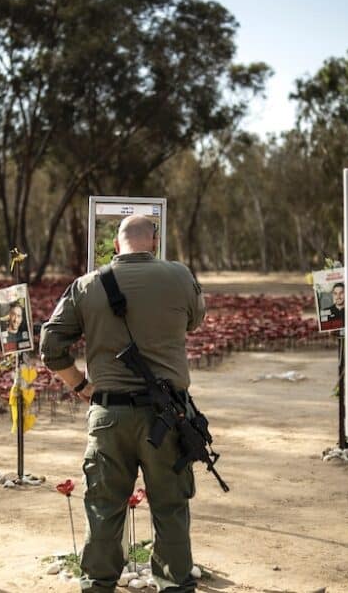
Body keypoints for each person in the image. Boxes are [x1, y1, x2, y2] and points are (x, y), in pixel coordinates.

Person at [40, 214, 205, 593]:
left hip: (108, 417)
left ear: (116, 245)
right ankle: (175, 585)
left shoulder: (87, 285)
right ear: (155, 243)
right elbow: (196, 321)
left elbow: (51, 346)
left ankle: (97, 585)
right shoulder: (179, 276)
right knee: (170, 509)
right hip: (169, 418)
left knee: (103, 509)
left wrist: (81, 385)